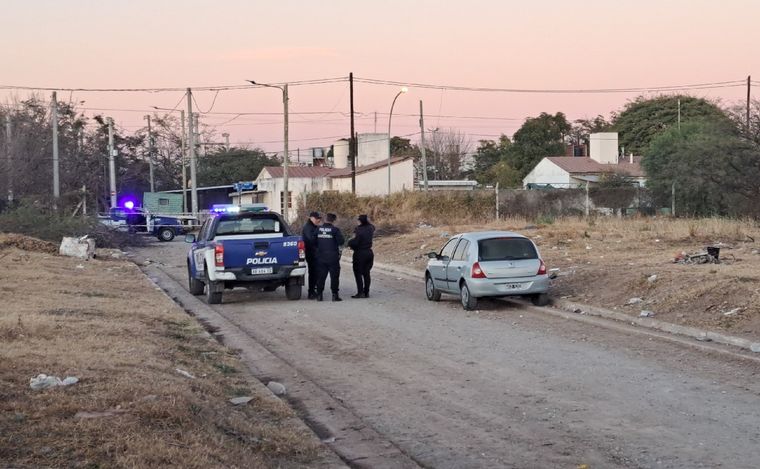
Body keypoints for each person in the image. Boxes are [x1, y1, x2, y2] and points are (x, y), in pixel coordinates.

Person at [315, 213, 345, 302]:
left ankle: (319, 295)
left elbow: (313, 241)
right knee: (334, 277)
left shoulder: (318, 229)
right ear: (333, 220)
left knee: (321, 276)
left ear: (325, 219)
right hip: (333, 257)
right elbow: (341, 241)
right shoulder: (335, 230)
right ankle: (335, 295)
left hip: (321, 256)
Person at [348, 214, 375, 298]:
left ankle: (360, 292)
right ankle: (366, 292)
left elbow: (355, 242)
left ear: (360, 221)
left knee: (358, 273)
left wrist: (350, 243)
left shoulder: (358, 230)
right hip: (369, 253)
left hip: (360, 253)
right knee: (366, 273)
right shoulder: (371, 228)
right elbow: (371, 226)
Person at [301, 211, 321, 299]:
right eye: (317, 219)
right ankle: (311, 292)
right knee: (313, 273)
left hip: (314, 252)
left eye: (319, 219)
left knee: (315, 273)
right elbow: (311, 240)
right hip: (311, 253)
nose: (318, 220)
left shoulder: (313, 226)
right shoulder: (308, 227)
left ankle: (313, 290)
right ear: (312, 218)